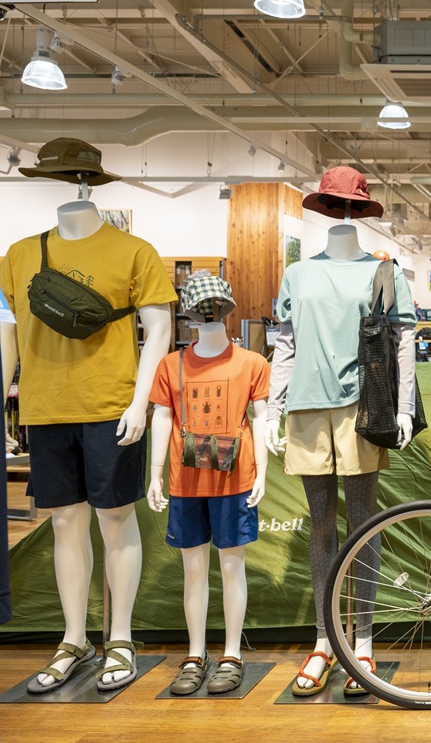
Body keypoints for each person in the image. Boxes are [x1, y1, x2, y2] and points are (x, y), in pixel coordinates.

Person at [1, 138, 176, 693]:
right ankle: (74, 638)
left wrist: (141, 402)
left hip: (111, 406)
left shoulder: (134, 251)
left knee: (115, 519)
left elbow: (160, 329)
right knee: (64, 523)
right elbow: (8, 333)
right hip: (46, 407)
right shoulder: (18, 255)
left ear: (86, 185)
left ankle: (119, 637)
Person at [265, 166, 418, 698]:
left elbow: (403, 344)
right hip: (306, 407)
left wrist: (404, 408)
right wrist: (272, 409)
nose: (344, 213)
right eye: (340, 203)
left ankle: (364, 641)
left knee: (363, 524)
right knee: (321, 526)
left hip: (361, 408)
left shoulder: (385, 273)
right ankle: (325, 640)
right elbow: (285, 345)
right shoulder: (298, 274)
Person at [147, 275, 269, 696]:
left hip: (236, 478)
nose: (208, 313)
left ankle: (232, 653)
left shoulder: (252, 363)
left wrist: (263, 472)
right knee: (193, 570)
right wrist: (155, 473)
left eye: (213, 306)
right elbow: (162, 416)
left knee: (232, 566)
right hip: (185, 480)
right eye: (202, 307)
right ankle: (195, 653)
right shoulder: (171, 365)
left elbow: (261, 416)